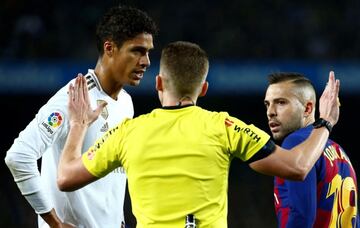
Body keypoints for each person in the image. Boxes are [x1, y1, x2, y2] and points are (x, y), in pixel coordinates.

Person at [57, 41, 340, 228]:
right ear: (203, 89)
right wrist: (325, 121)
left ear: (158, 83)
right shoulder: (224, 127)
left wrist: (79, 126)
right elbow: (298, 166)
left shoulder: (128, 133)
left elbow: (66, 177)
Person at [4, 5, 158, 228]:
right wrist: (54, 223)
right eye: (137, 51)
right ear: (110, 48)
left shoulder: (126, 103)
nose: (146, 61)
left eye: (148, 52)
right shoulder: (73, 99)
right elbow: (18, 157)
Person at [264, 72, 359, 228]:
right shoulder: (340, 152)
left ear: (308, 108)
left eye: (281, 102)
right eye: (267, 104)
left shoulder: (296, 143)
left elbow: (301, 216)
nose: (270, 112)